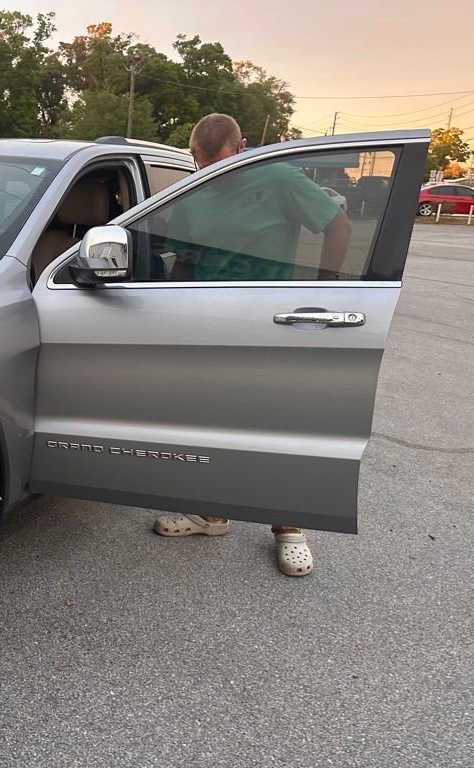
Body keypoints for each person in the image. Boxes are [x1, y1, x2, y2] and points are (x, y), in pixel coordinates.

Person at [152, 113, 352, 577]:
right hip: (208, 321)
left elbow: (338, 226)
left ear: (240, 150)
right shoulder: (195, 189)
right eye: (202, 167)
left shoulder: (281, 179)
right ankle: (210, 515)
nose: (210, 177)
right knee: (208, 421)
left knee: (270, 426)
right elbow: (184, 257)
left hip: (268, 321)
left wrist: (325, 292)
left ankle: (288, 528)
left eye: (217, 165)